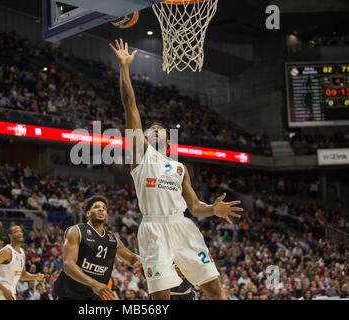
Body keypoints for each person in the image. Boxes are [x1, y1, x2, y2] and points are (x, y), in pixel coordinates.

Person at [109, 39, 243, 300]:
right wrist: (124, 68)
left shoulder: (180, 167)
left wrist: (213, 209)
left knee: (214, 288)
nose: (154, 131)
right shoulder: (141, 155)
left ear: (169, 141)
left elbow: (194, 207)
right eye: (151, 130)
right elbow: (130, 105)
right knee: (161, 297)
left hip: (182, 225)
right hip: (154, 228)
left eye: (160, 130)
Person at [54, 195, 143, 300]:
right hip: (69, 294)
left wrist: (143, 261)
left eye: (104, 208)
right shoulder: (76, 231)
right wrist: (94, 284)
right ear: (88, 214)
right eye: (96, 207)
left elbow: (132, 259)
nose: (101, 209)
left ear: (106, 216)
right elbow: (68, 265)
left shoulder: (113, 240)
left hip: (94, 296)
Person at [0, 226, 44, 300]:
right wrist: (4, 290)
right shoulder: (6, 251)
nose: (19, 233)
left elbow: (22, 275)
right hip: (0, 292)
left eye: (20, 231)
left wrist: (35, 277)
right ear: (10, 236)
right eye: (16, 232)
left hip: (10, 292)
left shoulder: (22, 253)